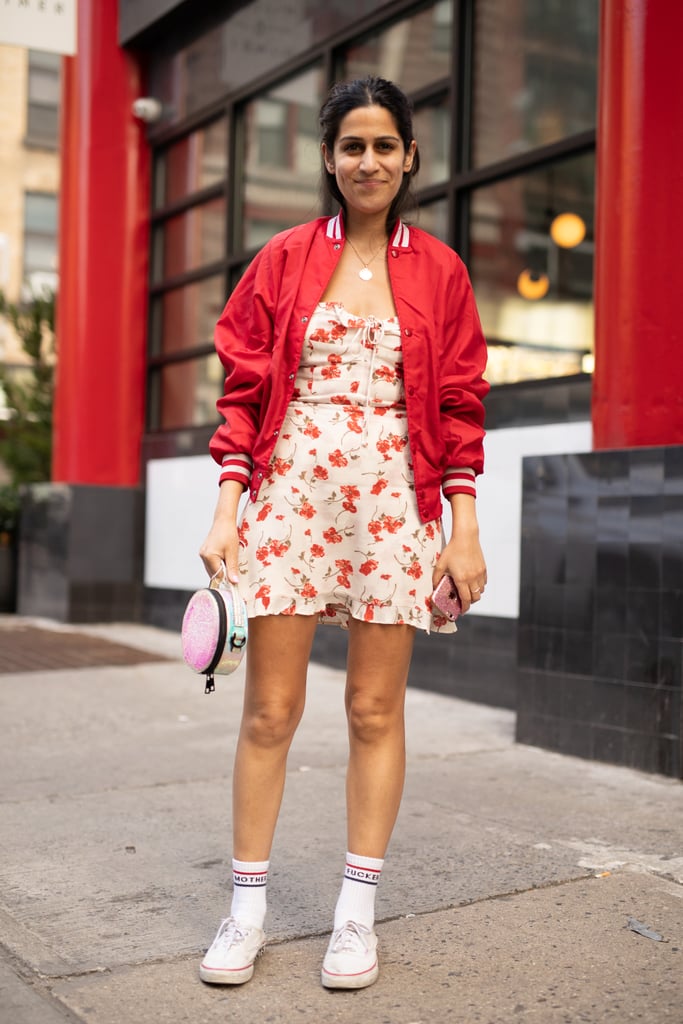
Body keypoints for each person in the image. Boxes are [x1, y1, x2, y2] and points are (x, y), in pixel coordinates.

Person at [197, 75, 489, 991]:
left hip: (394, 505)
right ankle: (245, 909)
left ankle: (354, 918)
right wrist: (226, 511)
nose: (368, 161)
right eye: (351, 146)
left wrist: (463, 526)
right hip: (289, 501)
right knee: (269, 712)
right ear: (329, 159)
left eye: (384, 146)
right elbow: (244, 392)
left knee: (373, 711)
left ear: (410, 158)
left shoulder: (440, 271)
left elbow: (458, 402)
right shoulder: (282, 259)